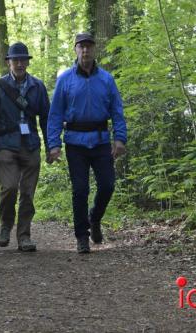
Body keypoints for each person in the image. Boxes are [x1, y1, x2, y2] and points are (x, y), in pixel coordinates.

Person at [47, 33, 127, 253]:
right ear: (75, 50)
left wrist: (119, 138)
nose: (85, 51)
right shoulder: (65, 79)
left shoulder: (107, 79)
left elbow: (117, 111)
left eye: (89, 47)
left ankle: (95, 218)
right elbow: (55, 115)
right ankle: (82, 236)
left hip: (101, 141)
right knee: (80, 189)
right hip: (74, 142)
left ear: (94, 50)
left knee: (107, 185)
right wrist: (54, 144)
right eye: (81, 47)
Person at [0, 42, 50, 251]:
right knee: (9, 188)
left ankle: (24, 236)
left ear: (28, 62)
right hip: (5, 145)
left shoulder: (37, 86)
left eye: (23, 60)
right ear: (8, 62)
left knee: (28, 193)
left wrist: (51, 146)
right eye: (15, 60)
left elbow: (47, 119)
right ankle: (6, 225)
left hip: (30, 146)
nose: (19, 63)